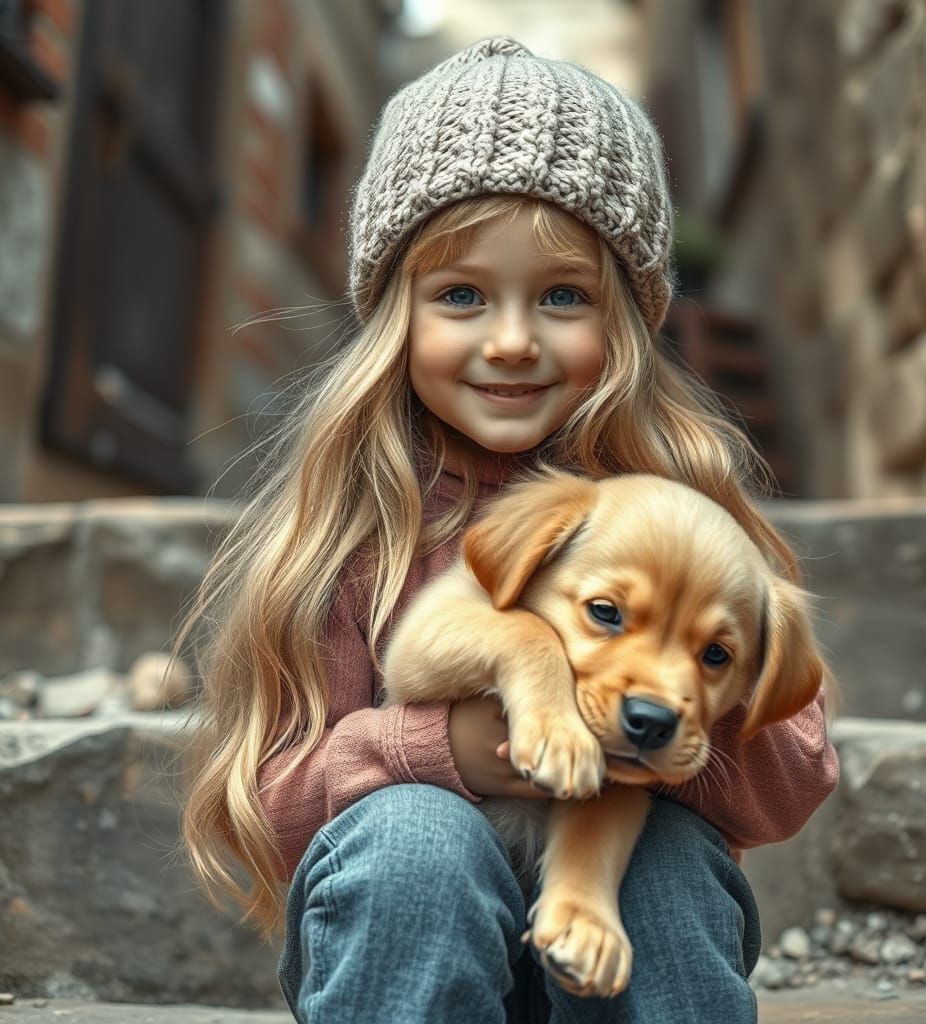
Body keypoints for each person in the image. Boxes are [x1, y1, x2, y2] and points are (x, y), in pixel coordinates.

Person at [177, 37, 838, 1024]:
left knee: (664, 859)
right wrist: (446, 743)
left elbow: (793, 781)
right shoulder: (360, 535)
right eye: (460, 294)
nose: (514, 338)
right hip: (409, 931)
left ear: (626, 316)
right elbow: (269, 810)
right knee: (411, 841)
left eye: (563, 294)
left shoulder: (684, 513)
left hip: (616, 932)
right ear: (394, 315)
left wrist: (678, 717)